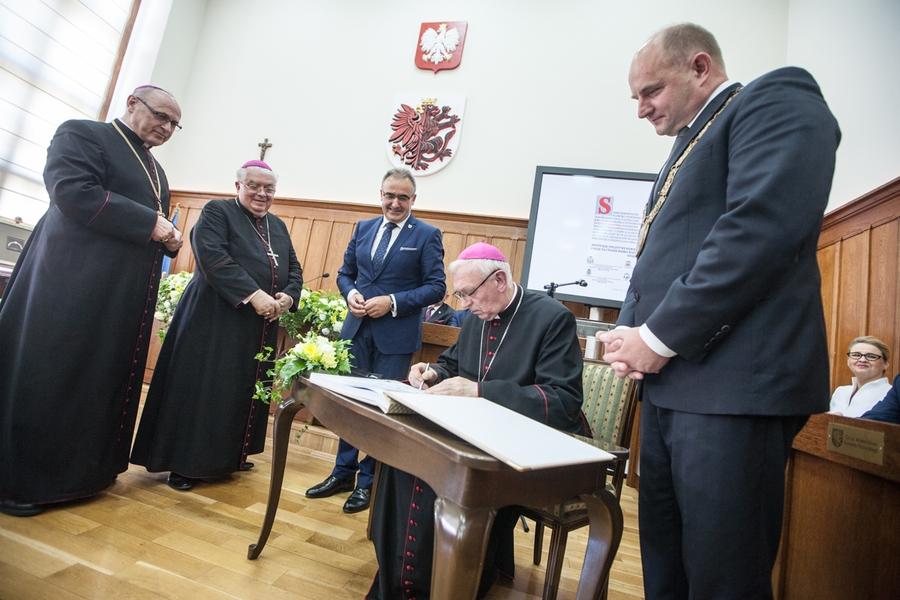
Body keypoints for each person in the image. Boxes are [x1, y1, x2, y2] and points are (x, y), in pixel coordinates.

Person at [598, 23, 840, 599]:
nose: (641, 109)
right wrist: (632, 332)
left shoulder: (774, 97)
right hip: (670, 389)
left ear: (700, 68)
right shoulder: (687, 144)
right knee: (666, 567)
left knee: (722, 577)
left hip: (733, 389)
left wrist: (656, 337)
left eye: (650, 91)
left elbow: (759, 229)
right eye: (636, 97)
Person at [367, 242, 590, 600]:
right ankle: (400, 576)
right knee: (400, 457)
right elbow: (454, 365)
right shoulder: (478, 317)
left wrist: (480, 392)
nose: (465, 304)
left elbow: (561, 401)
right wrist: (433, 372)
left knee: (434, 468)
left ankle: (440, 584)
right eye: (460, 296)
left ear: (499, 280)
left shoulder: (552, 318)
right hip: (475, 433)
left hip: (529, 442)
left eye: (468, 294)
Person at [0, 85, 184, 517]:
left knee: (99, 378)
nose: (167, 127)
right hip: (69, 285)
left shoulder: (156, 171)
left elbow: (156, 226)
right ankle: (24, 483)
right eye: (162, 116)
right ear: (132, 104)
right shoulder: (82, 134)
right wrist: (152, 225)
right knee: (54, 374)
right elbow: (72, 191)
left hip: (119, 298)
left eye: (175, 123)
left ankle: (86, 475)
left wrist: (171, 239)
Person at [130, 160, 303, 490]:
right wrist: (254, 296)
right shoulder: (216, 212)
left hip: (259, 323)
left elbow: (294, 268)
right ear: (238, 186)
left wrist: (287, 299)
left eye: (269, 189)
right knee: (205, 388)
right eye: (254, 185)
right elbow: (213, 258)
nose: (261, 194)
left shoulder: (277, 225)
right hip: (213, 318)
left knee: (241, 392)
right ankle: (185, 464)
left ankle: (231, 455)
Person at [305, 168, 446, 513]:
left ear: (413, 200)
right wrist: (350, 292)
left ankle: (369, 482)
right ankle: (342, 473)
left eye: (402, 197)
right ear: (380, 194)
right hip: (355, 331)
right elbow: (344, 273)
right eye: (389, 195)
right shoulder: (364, 227)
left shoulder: (427, 234)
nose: (394, 203)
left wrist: (393, 303)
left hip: (395, 337)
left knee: (381, 410)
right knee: (349, 405)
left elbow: (437, 287)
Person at [829, 336, 891, 417]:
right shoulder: (840, 392)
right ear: (848, 361)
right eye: (856, 355)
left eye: (871, 356)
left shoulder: (890, 393)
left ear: (885, 364)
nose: (862, 360)